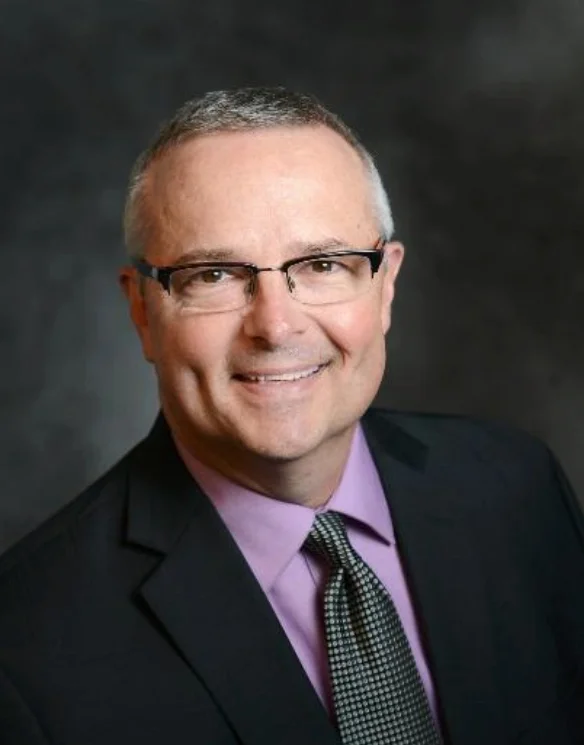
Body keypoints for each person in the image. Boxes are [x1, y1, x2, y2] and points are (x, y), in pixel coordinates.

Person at [0, 87, 583, 745]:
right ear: (142, 310)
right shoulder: (23, 651)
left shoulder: (519, 488)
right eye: (214, 275)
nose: (275, 326)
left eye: (323, 264)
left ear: (385, 287)